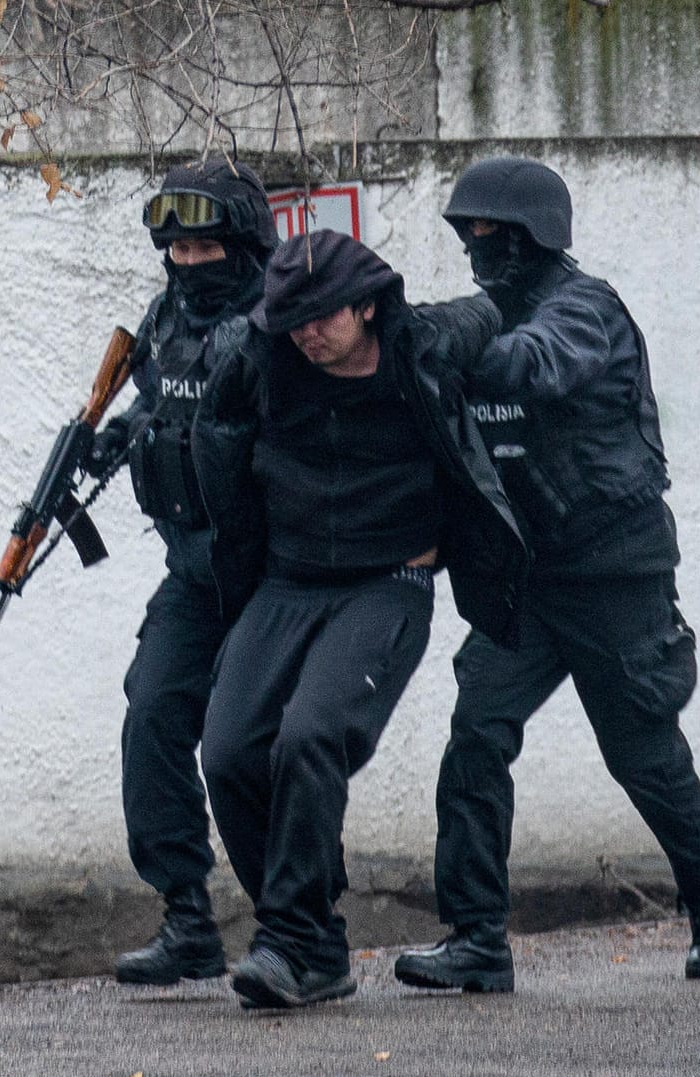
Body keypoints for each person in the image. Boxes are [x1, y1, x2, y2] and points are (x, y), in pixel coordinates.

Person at [393, 156, 700, 995]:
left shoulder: (586, 311)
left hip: (614, 575)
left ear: (531, 235)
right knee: (477, 734)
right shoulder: (490, 311)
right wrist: (397, 335)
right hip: (530, 579)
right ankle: (477, 937)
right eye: (467, 233)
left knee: (642, 753)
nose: (477, 247)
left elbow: (531, 364)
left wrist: (449, 345)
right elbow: (451, 337)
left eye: (491, 232)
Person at [192, 229, 527, 1010]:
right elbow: (214, 437)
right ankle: (313, 941)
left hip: (389, 580)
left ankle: (289, 940)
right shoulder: (261, 354)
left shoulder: (424, 345)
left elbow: (495, 311)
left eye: (323, 317)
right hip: (286, 580)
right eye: (292, 318)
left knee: (312, 735)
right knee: (230, 750)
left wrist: (529, 287)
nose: (307, 332)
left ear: (369, 306)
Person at [93, 159, 277, 986]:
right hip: (193, 573)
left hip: (274, 574)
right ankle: (187, 916)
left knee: (252, 747)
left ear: (242, 243)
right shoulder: (166, 315)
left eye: (206, 246)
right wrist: (119, 433)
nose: (191, 262)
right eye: (178, 249)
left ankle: (293, 923)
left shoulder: (282, 319)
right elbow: (156, 399)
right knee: (152, 716)